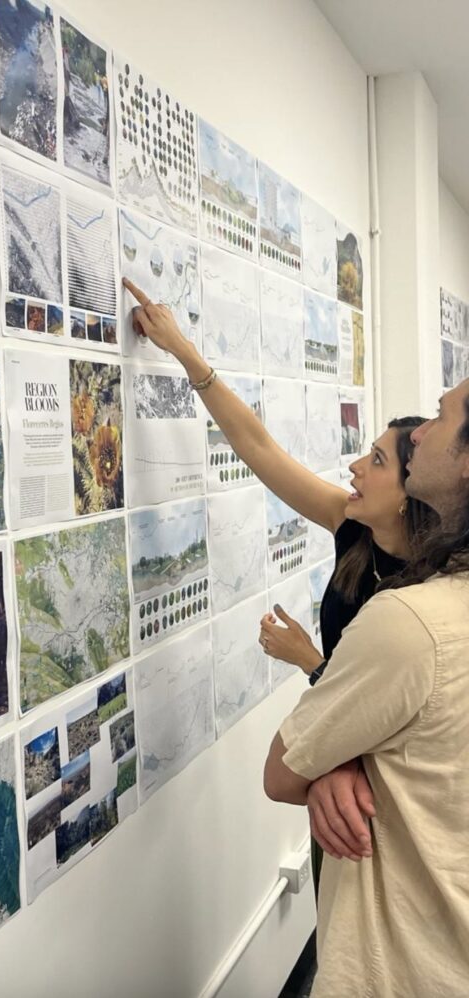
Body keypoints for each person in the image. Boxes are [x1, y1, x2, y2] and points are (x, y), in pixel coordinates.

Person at [263, 380, 469, 996]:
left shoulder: (412, 619)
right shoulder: (370, 553)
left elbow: (281, 774)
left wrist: (328, 753)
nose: (422, 430)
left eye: (440, 415)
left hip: (402, 956)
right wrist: (338, 754)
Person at [121, 278, 432, 686]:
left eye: (377, 460)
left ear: (409, 495)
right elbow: (259, 447)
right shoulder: (353, 527)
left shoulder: (431, 591)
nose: (356, 466)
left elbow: (388, 718)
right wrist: (183, 350)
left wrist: (312, 662)